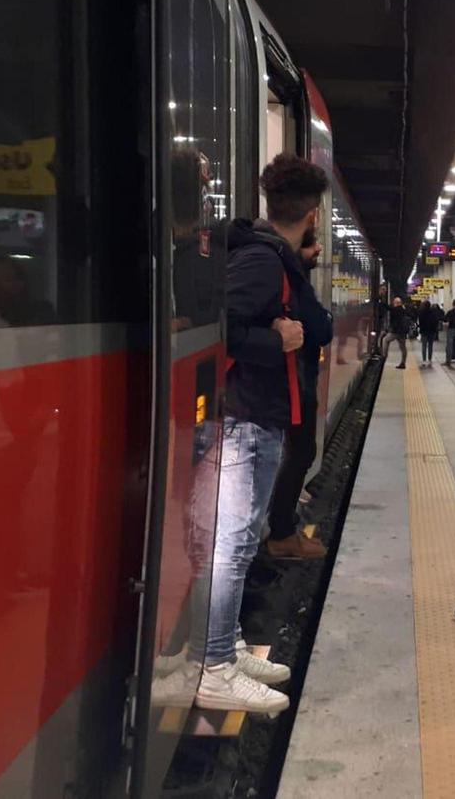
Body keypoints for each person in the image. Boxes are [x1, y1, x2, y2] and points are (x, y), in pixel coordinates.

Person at [195, 153, 325, 714]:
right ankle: (216, 667)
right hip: (246, 419)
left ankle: (226, 647)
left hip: (257, 415)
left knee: (241, 541)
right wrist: (279, 342)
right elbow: (220, 324)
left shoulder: (273, 254)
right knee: (232, 544)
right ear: (314, 212)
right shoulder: (261, 258)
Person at [264, 232, 333, 561]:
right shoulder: (290, 274)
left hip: (294, 380)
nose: (319, 248)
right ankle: (281, 532)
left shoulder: (289, 272)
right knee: (300, 451)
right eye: (312, 244)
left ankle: (281, 527)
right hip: (292, 382)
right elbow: (321, 327)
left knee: (299, 452)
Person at [382, 296, 410, 369]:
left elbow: (388, 308)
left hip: (396, 331)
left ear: (397, 303)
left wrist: (381, 300)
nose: (393, 303)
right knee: (403, 347)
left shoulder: (396, 309)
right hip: (403, 332)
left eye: (394, 302)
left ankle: (384, 356)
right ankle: (403, 363)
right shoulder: (403, 310)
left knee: (385, 340)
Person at [417, 299, 441, 367]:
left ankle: (424, 360)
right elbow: (436, 321)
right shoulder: (433, 313)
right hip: (432, 331)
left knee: (424, 346)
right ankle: (429, 360)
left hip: (424, 331)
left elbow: (420, 322)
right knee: (430, 346)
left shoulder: (421, 312)